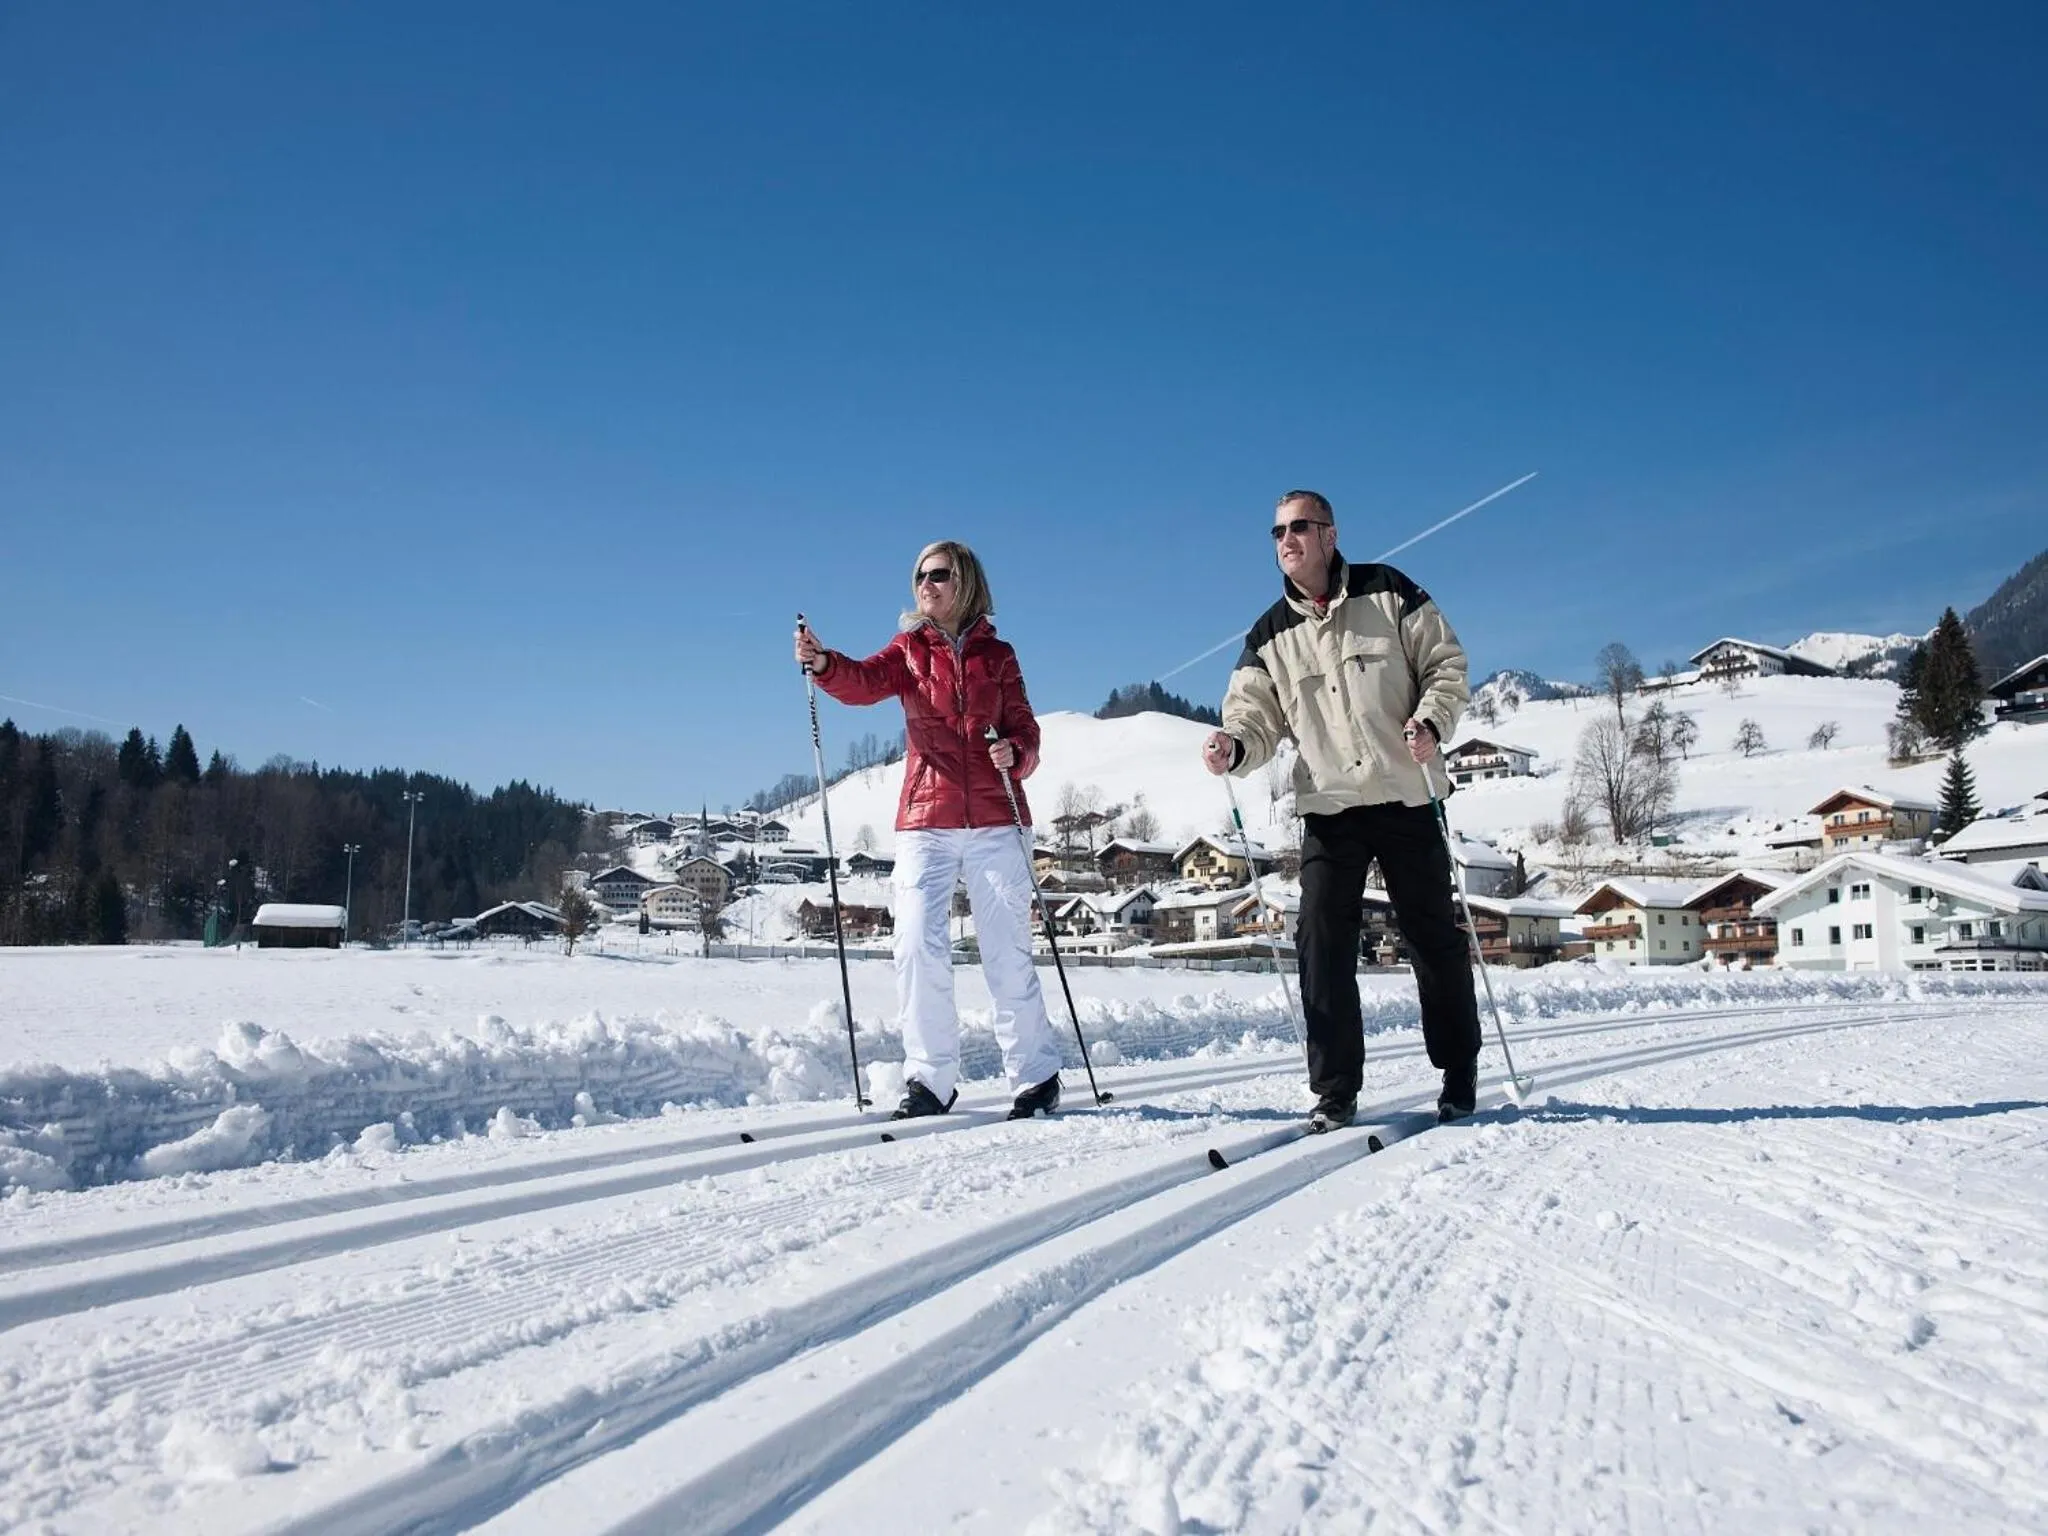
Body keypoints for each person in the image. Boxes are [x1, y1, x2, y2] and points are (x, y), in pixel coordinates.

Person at [1201, 490, 1482, 1127]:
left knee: (1431, 936)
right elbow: (1253, 717)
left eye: (1299, 527)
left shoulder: (1391, 592)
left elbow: (1445, 665)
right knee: (1320, 938)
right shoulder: (1269, 634)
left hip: (1406, 790)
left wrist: (1432, 722)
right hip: (1330, 807)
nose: (1287, 540)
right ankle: (1335, 1090)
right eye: (1277, 531)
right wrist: (1234, 746)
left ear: (1330, 535)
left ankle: (1458, 1071)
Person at [794, 541, 1066, 1121]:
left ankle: (1036, 1078)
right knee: (917, 943)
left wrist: (1016, 752)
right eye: (919, 574)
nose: (926, 583)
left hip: (997, 819)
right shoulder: (909, 650)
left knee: (1006, 952)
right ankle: (929, 1080)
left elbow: (1027, 731)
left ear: (963, 580)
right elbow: (864, 681)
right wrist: (824, 664)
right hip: (926, 818)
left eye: (938, 574)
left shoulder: (999, 655)